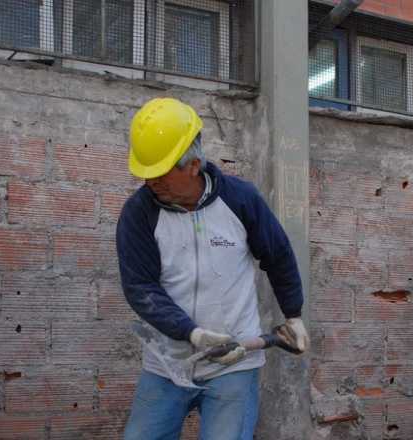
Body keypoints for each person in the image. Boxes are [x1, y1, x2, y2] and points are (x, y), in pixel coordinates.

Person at [116, 97, 309, 440]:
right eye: (146, 174)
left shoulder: (240, 200)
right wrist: (190, 332)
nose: (151, 183)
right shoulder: (139, 214)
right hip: (167, 365)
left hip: (234, 365)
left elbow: (278, 255)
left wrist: (293, 314)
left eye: (161, 172)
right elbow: (140, 287)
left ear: (192, 164)